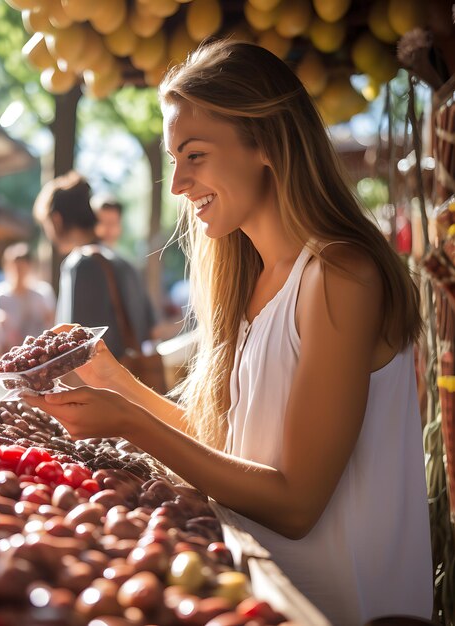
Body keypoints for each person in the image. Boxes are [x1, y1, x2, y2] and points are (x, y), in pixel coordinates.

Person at [25, 40, 433, 625]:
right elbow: (232, 447)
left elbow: (296, 502)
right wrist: (115, 384)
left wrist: (131, 424)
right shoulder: (254, 284)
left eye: (194, 155)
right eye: (173, 160)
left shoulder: (343, 275)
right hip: (266, 603)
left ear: (265, 141)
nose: (177, 186)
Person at [34, 171, 156, 360]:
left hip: (97, 388)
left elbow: (73, 352)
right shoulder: (124, 263)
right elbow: (151, 328)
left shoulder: (80, 264)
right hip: (129, 382)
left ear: (56, 220)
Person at [0, 242, 56, 354]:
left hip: (39, 352)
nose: (18, 272)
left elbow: (52, 322)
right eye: (15, 267)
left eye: (21, 267)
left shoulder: (42, 292)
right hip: (9, 352)